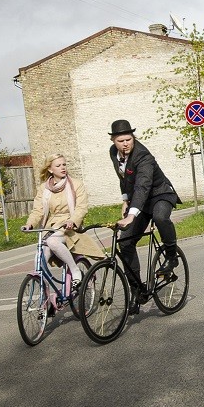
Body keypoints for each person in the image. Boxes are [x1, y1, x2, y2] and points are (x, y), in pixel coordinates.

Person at [109, 120, 182, 314]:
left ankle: (171, 255)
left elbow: (142, 185)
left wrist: (131, 215)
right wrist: (125, 199)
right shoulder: (113, 153)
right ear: (113, 140)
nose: (125, 144)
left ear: (133, 138)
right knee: (125, 242)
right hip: (138, 200)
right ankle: (136, 292)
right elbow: (123, 177)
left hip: (160, 194)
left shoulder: (143, 156)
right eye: (121, 140)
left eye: (129, 139)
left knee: (160, 217)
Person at [23, 154, 103, 289]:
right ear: (50, 169)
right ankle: (45, 295)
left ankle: (75, 270)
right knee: (40, 257)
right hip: (50, 227)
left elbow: (81, 208)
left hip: (69, 226)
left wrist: (73, 220)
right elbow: (38, 210)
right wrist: (29, 223)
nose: (62, 168)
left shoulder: (76, 184)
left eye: (64, 165)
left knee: (53, 241)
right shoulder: (44, 188)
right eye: (58, 166)